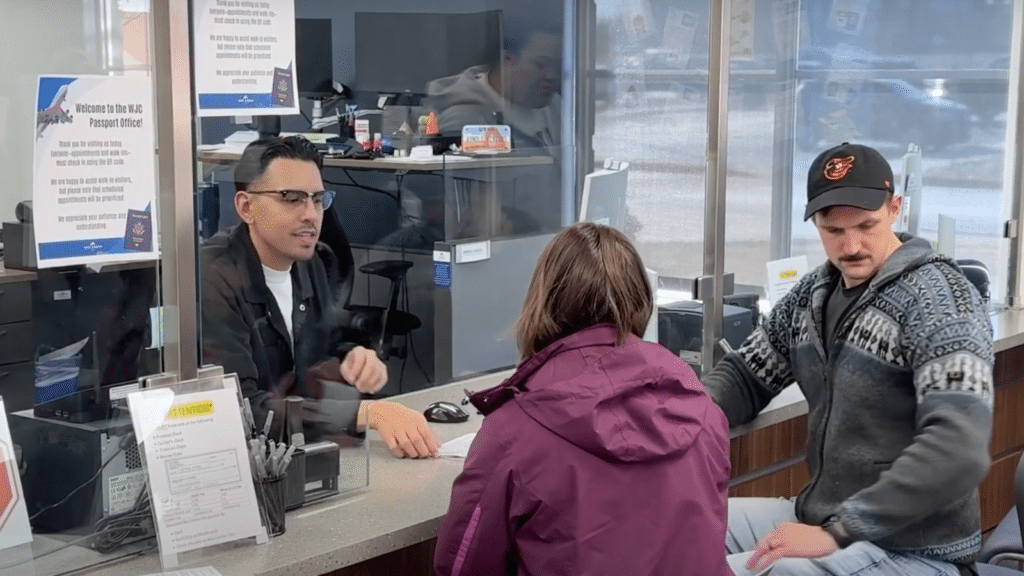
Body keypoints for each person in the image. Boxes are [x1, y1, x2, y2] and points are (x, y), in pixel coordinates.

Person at [705, 142, 994, 576]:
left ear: (895, 207)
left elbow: (959, 449)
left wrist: (836, 532)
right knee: (677, 522)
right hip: (824, 518)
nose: (851, 246)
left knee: (734, 572)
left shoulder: (941, 299)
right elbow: (744, 376)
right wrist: (675, 420)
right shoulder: (812, 295)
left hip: (916, 550)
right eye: (833, 231)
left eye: (866, 225)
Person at [434, 222, 732, 576]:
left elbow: (460, 566)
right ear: (641, 299)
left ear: (542, 302)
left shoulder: (512, 430)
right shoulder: (704, 414)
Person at [201, 135, 439, 459]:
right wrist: (365, 414)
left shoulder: (310, 263)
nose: (311, 214)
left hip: (295, 458)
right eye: (292, 198)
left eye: (317, 199)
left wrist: (351, 359)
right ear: (246, 207)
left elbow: (314, 355)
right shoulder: (214, 281)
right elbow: (241, 412)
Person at [425, 17, 563, 234]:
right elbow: (445, 207)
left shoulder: (556, 108)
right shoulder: (464, 118)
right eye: (540, 64)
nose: (552, 76)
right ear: (508, 59)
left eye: (557, 65)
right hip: (505, 248)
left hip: (554, 242)